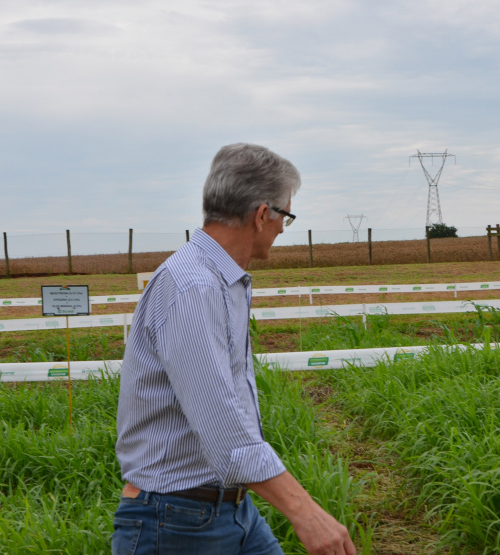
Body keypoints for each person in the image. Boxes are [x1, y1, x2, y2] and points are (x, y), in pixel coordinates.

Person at [112, 143, 357, 555]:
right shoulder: (194, 287)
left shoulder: (219, 280)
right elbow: (222, 423)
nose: (283, 228)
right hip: (174, 522)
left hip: (229, 507)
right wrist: (305, 512)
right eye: (285, 216)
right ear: (262, 215)